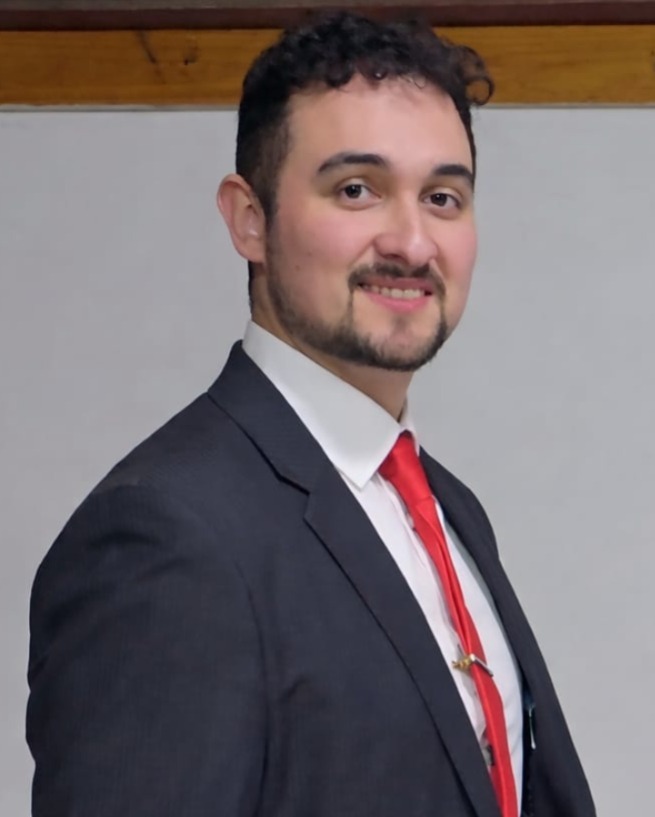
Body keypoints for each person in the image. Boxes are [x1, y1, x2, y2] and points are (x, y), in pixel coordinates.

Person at [27, 12, 596, 817]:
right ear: (248, 219)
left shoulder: (446, 508)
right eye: (355, 189)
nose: (411, 242)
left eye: (442, 197)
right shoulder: (166, 537)